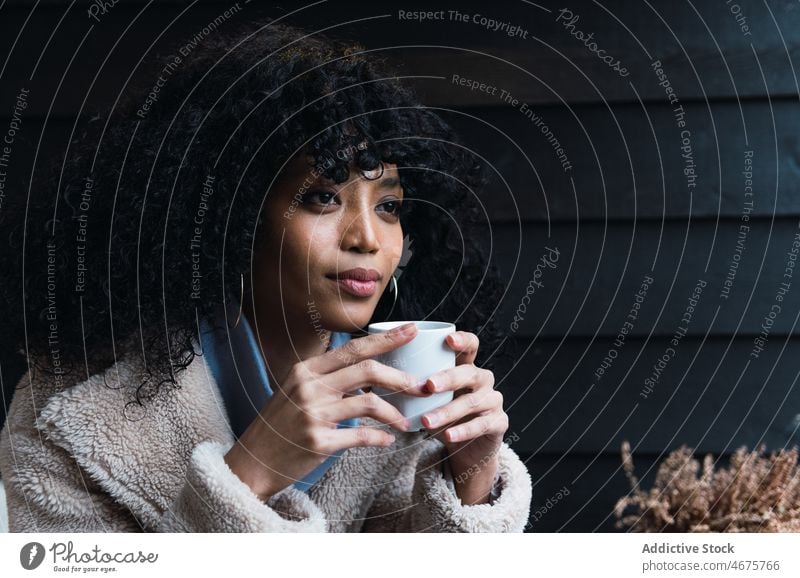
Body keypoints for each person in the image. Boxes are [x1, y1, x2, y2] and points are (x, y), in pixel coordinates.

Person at [0, 19, 532, 532]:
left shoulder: (403, 402)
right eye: (324, 197)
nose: (368, 238)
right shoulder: (70, 414)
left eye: (389, 205)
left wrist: (471, 484)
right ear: (232, 216)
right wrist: (249, 474)